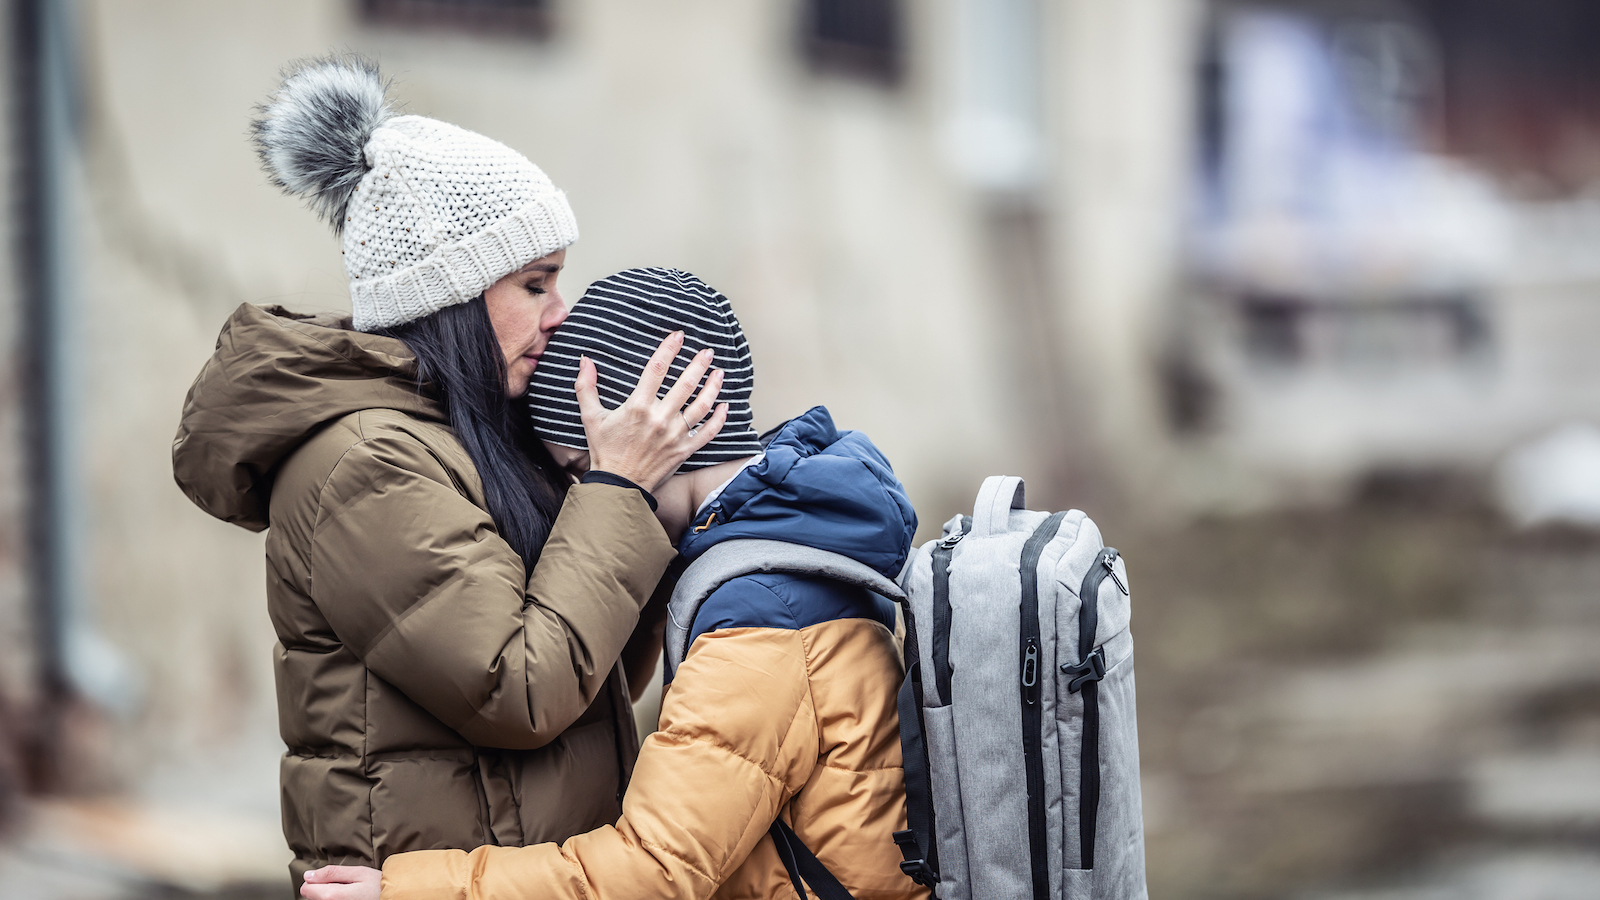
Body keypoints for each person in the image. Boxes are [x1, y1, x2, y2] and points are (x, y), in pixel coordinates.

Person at [172, 59, 728, 893]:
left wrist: (648, 507)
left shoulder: (466, 439)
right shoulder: (366, 463)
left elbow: (593, 678)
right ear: (453, 294)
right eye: (534, 284)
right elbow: (523, 689)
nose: (560, 314)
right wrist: (619, 493)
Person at [300, 268, 928, 900]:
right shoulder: (800, 537)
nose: (586, 495)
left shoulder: (761, 608)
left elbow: (653, 872)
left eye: (583, 468)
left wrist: (406, 892)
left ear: (657, 431)